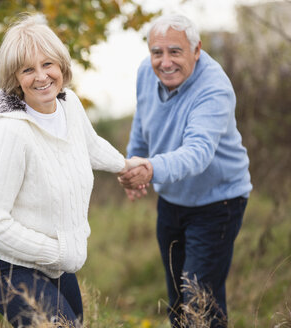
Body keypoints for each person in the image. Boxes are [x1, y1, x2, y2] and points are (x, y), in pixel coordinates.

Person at [0, 13, 145, 327]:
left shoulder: (69, 105)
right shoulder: (9, 134)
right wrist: (59, 251)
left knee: (73, 321)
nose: (41, 77)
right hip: (6, 264)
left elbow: (88, 144)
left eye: (47, 64)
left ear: (62, 65)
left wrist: (124, 166)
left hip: (52, 260)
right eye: (28, 69)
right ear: (15, 78)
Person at [118, 14, 252, 328]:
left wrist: (150, 169)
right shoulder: (144, 72)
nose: (165, 62)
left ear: (196, 50)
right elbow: (142, 122)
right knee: (179, 301)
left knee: (200, 302)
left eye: (175, 52)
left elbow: (197, 154)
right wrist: (133, 163)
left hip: (218, 203)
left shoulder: (213, 88)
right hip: (172, 201)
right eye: (157, 52)